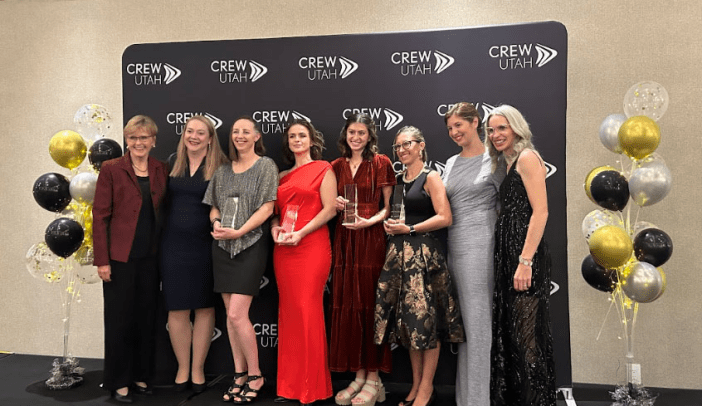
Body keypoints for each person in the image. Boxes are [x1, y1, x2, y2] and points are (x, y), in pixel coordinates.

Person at [375, 126, 464, 406]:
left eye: (407, 144)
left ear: (421, 146)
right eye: (398, 146)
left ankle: (427, 389)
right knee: (410, 326)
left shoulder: (431, 177)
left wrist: (409, 228)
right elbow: (393, 216)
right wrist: (391, 226)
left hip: (425, 258)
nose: (402, 150)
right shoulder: (399, 180)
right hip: (400, 257)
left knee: (428, 325)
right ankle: (415, 386)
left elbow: (445, 217)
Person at [203, 116, 279, 403]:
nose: (240, 136)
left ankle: (257, 374)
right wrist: (218, 225)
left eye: (246, 131)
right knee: (230, 317)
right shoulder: (222, 171)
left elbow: (268, 208)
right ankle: (239, 373)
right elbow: (213, 208)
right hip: (223, 249)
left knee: (237, 315)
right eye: (236, 131)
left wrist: (240, 231)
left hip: (251, 245)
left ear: (256, 136)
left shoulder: (266, 166)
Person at [93, 115, 168, 403]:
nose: (139, 142)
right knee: (119, 322)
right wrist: (102, 260)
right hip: (119, 260)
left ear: (153, 141)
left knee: (146, 320)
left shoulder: (161, 169)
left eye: (144, 137)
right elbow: (100, 217)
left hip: (151, 258)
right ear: (127, 140)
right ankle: (119, 381)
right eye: (133, 138)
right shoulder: (112, 169)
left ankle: (141, 375)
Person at [484, 105, 556, 406]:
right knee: (514, 337)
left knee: (527, 340)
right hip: (510, 257)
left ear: (516, 128)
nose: (496, 135)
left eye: (502, 128)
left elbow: (541, 212)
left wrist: (524, 262)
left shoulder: (527, 158)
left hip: (523, 258)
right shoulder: (508, 162)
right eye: (491, 130)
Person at [441, 103, 505, 406]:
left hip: (480, 248)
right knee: (463, 328)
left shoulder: (494, 160)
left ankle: (478, 400)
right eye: (450, 128)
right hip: (452, 248)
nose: (454, 132)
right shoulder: (451, 162)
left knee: (478, 327)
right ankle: (465, 397)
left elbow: (509, 207)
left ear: (475, 122)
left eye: (459, 126)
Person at [329, 114, 395, 406]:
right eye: (351, 132)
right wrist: (334, 202)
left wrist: (368, 223)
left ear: (370, 136)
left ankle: (375, 379)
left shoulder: (380, 162)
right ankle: (358, 375)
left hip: (371, 241)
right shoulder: (335, 166)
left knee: (370, 306)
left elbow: (388, 209)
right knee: (350, 305)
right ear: (345, 134)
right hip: (345, 241)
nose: (356, 137)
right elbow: (324, 202)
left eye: (362, 132)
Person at [160, 115, 228, 393]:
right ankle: (182, 368)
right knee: (177, 308)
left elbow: (226, 204)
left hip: (205, 246)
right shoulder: (171, 162)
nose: (194, 136)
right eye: (190, 131)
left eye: (201, 133)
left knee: (204, 307)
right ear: (184, 134)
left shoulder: (221, 167)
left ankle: (198, 369)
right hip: (173, 245)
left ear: (210, 138)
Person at [272, 119, 337, 405]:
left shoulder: (324, 168)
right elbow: (276, 211)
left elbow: (330, 209)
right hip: (284, 249)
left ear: (311, 139)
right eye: (292, 136)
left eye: (302, 135)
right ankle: (288, 387)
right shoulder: (282, 175)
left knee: (308, 311)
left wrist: (301, 232)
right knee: (289, 314)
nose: (297, 140)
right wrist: (276, 228)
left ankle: (313, 388)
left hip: (311, 246)